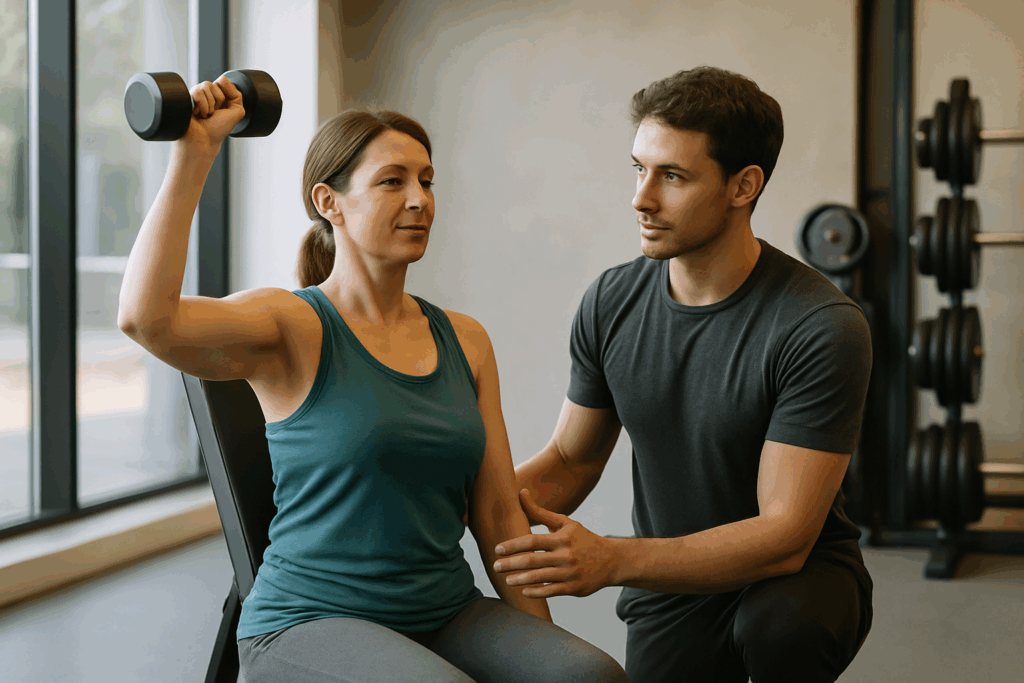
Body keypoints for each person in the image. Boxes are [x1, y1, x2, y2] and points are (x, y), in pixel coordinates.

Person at [117, 74, 629, 683]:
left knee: (587, 677)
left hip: (445, 611)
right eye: (393, 181)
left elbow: (496, 513)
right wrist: (194, 154)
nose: (420, 199)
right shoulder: (291, 324)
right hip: (308, 620)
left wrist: (541, 653)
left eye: (427, 181)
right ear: (329, 201)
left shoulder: (465, 340)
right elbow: (146, 320)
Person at [490, 66, 874, 683]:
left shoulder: (820, 325)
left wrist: (612, 559)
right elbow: (570, 460)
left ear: (743, 185)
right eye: (639, 169)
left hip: (797, 580)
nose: (641, 197)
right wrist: (448, 499)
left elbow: (784, 536)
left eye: (672, 176)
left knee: (781, 628)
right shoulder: (611, 302)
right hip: (671, 583)